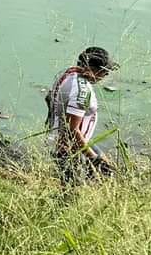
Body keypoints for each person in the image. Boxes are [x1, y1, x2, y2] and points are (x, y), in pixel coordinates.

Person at [47, 46, 118, 185]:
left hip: (75, 141)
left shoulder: (68, 74)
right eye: (105, 72)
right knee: (71, 191)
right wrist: (92, 158)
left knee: (108, 172)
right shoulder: (81, 92)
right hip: (70, 149)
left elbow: (49, 98)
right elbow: (72, 131)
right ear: (94, 69)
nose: (105, 76)